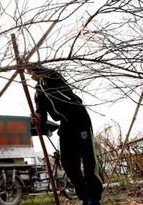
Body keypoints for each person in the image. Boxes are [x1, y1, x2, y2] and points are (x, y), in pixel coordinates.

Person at [27, 65, 103, 205]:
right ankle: (84, 196)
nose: (30, 76)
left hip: (79, 117)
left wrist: (33, 67)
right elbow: (41, 112)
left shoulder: (52, 77)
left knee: (88, 159)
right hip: (65, 123)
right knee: (68, 163)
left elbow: (53, 74)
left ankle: (93, 197)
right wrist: (37, 117)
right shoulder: (38, 92)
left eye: (31, 72)